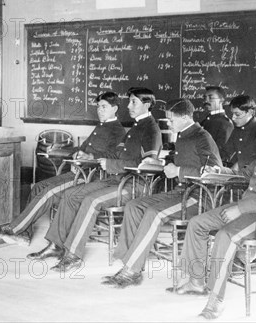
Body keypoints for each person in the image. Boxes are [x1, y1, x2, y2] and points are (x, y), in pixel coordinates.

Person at [172, 108, 256, 320]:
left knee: (225, 236)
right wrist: (221, 172)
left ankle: (216, 299)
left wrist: (240, 209)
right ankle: (196, 280)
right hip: (249, 209)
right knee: (197, 223)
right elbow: (245, 173)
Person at [28, 87, 162, 272]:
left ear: (146, 105)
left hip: (133, 185)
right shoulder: (136, 126)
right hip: (116, 179)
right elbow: (117, 154)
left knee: (91, 201)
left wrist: (113, 164)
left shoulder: (151, 129)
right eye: (130, 101)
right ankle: (55, 245)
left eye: (134, 102)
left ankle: (73, 255)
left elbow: (149, 164)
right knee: (71, 194)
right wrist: (95, 160)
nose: (129, 106)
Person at [101, 98, 221, 288]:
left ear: (185, 117)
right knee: (133, 205)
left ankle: (131, 270)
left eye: (172, 120)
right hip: (181, 191)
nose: (169, 124)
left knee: (154, 213)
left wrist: (179, 171)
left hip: (198, 197)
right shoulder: (182, 134)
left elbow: (214, 170)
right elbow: (183, 161)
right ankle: (128, 262)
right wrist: (160, 164)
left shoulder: (201, 136)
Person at [0, 91, 126, 246]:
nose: (99, 110)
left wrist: (88, 157)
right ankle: (25, 235)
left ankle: (14, 229)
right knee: (38, 186)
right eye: (98, 107)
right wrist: (74, 152)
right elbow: (81, 148)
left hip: (91, 177)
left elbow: (112, 156)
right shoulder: (101, 126)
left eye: (104, 107)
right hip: (78, 172)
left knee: (48, 193)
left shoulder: (118, 130)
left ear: (115, 108)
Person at [220, 95, 256, 175]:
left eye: (237, 114)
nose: (233, 118)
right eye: (232, 114)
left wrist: (239, 164)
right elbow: (226, 151)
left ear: (250, 112)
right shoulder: (237, 129)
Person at [201, 86, 233, 151]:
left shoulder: (225, 124)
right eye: (205, 98)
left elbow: (220, 152)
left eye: (211, 97)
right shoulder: (205, 121)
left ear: (221, 100)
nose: (206, 101)